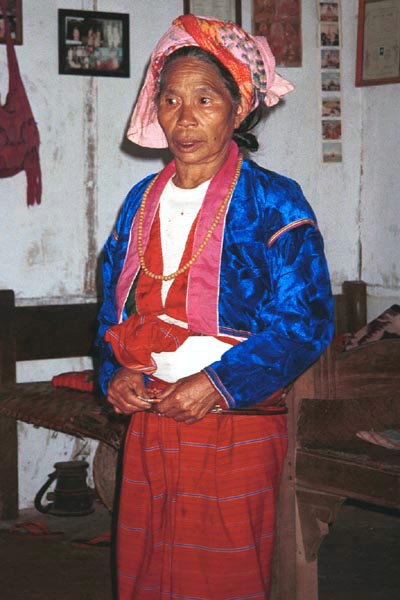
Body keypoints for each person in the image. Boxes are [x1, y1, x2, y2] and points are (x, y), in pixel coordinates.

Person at [96, 14, 334, 600]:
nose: (185, 117)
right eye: (171, 99)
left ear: (238, 109)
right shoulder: (139, 202)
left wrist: (220, 384)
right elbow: (110, 310)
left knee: (222, 574)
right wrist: (114, 373)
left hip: (234, 418)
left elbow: (305, 322)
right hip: (152, 416)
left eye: (205, 98)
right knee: (147, 566)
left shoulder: (274, 201)